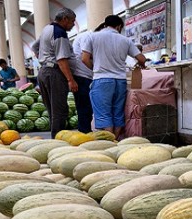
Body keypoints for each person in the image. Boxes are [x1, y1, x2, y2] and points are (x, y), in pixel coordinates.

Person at [81, 15, 146, 140]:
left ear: (105, 25)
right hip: (120, 81)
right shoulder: (125, 40)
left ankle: (109, 143)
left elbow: (84, 58)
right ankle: (115, 140)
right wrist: (142, 65)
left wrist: (96, 69)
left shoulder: (93, 36)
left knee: (104, 114)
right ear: (119, 26)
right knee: (117, 113)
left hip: (102, 80)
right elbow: (141, 59)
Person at [35, 7, 78, 138]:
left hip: (44, 71)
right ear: (64, 19)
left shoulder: (47, 29)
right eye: (72, 21)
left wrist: (44, 59)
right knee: (59, 110)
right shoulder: (59, 32)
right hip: (54, 73)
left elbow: (34, 47)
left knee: (52, 110)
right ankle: (58, 141)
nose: (73, 24)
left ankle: (55, 139)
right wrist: (71, 80)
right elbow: (61, 60)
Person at [69, 22, 105, 133]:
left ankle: (86, 134)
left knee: (87, 108)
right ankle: (84, 135)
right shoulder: (87, 36)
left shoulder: (93, 39)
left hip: (87, 77)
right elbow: (85, 59)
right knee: (85, 108)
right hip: (82, 77)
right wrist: (98, 71)